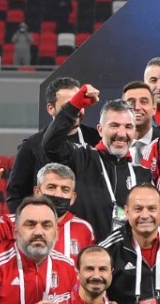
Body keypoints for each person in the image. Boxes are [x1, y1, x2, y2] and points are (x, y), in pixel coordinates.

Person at [43, 84, 152, 240]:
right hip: (84, 252)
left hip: (125, 254)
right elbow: (50, 145)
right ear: (100, 130)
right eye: (114, 125)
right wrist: (74, 107)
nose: (121, 134)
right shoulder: (81, 158)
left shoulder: (142, 175)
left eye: (128, 127)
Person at [0, 160, 95, 258]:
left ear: (72, 198)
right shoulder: (14, 223)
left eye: (65, 189)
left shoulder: (84, 230)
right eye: (51, 187)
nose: (58, 194)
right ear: (37, 192)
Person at [7, 76, 99, 211]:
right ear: (51, 108)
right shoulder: (31, 147)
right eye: (69, 106)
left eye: (79, 104)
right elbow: (16, 198)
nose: (75, 110)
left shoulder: (97, 140)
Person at [122, 81, 160, 174]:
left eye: (144, 102)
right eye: (130, 102)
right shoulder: (112, 144)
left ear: (154, 108)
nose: (137, 107)